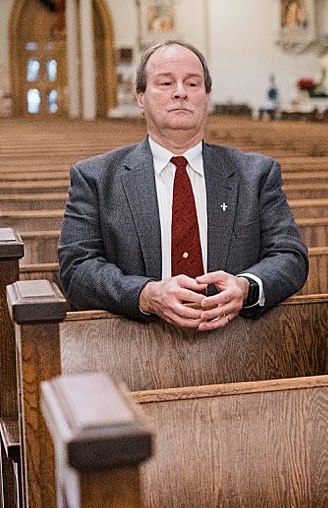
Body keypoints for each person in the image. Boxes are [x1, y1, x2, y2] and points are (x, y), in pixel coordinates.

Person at [58, 39, 308, 330]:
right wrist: (145, 294)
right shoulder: (96, 179)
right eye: (165, 83)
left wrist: (246, 287)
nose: (180, 93)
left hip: (236, 343)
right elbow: (76, 269)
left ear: (207, 97)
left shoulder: (255, 175)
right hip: (132, 343)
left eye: (192, 84)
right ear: (140, 96)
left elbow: (290, 256)